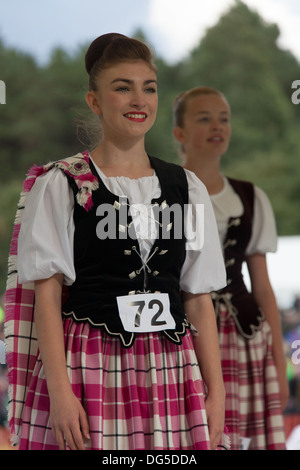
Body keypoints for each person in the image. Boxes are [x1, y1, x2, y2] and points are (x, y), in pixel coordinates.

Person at [4, 34, 229, 451]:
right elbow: (46, 296)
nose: (138, 99)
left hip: (170, 366)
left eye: (149, 88)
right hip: (90, 363)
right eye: (122, 87)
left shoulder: (186, 186)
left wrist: (216, 394)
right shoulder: (62, 184)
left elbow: (198, 297)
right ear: (95, 101)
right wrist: (60, 392)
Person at [173, 86, 288, 450]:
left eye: (224, 118)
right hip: (184, 335)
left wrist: (280, 363)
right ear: (180, 133)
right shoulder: (163, 191)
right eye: (204, 118)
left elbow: (263, 287)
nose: (217, 126)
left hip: (245, 338)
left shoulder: (250, 197)